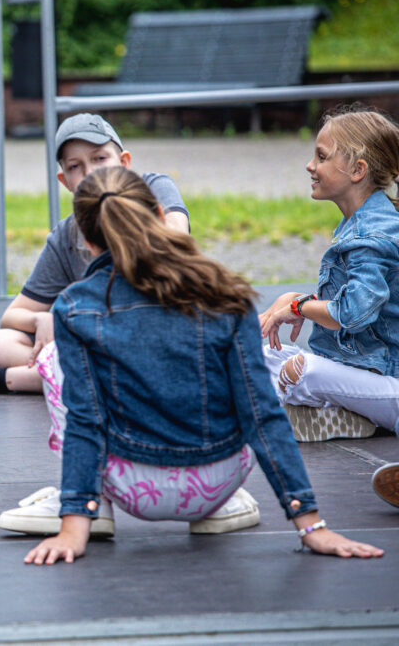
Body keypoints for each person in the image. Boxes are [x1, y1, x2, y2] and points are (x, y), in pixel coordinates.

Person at [23, 165, 383, 565]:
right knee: (250, 381)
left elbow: (86, 420)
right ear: (160, 217)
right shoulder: (225, 292)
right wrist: (311, 524)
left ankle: (93, 508)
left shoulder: (74, 306)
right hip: (217, 483)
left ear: (87, 242)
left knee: (52, 356)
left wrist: (73, 526)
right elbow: (261, 414)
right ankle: (226, 508)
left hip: (134, 491)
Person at [0, 113, 188, 397]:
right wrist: (42, 320)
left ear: (124, 163)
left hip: (159, 330)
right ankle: (80, 374)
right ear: (65, 180)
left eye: (100, 159)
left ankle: (0, 379)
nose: (91, 172)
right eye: (76, 166)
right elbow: (13, 315)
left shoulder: (154, 188)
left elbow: (177, 241)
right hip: (102, 345)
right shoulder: (67, 235)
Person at [260, 107, 399, 444]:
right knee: (255, 351)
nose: (310, 166)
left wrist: (300, 308)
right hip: (367, 372)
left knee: (305, 371)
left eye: (321, 157)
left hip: (391, 383)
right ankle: (339, 413)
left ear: (357, 170)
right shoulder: (360, 225)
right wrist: (292, 301)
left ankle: (330, 410)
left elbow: (352, 313)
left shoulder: (373, 237)